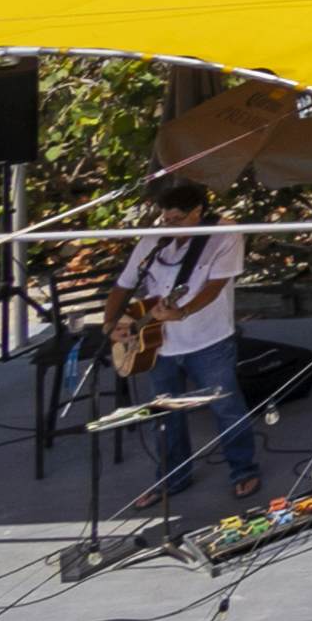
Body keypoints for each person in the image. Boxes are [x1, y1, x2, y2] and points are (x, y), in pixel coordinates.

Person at [103, 180, 267, 513]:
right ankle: (172, 477)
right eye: (166, 219)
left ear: (198, 212)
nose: (170, 225)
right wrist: (110, 325)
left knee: (225, 406)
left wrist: (184, 310)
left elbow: (216, 285)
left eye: (178, 219)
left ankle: (243, 470)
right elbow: (124, 284)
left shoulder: (225, 234)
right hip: (158, 345)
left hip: (208, 339)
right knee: (164, 413)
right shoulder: (155, 239)